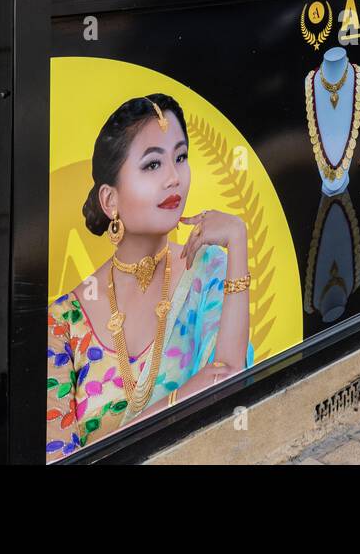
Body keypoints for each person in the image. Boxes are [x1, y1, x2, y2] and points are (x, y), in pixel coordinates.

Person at [46, 93, 251, 460]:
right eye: (153, 165)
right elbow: (55, 452)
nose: (174, 178)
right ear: (110, 201)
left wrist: (237, 238)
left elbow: (229, 375)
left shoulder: (206, 271)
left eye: (181, 157)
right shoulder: (64, 321)